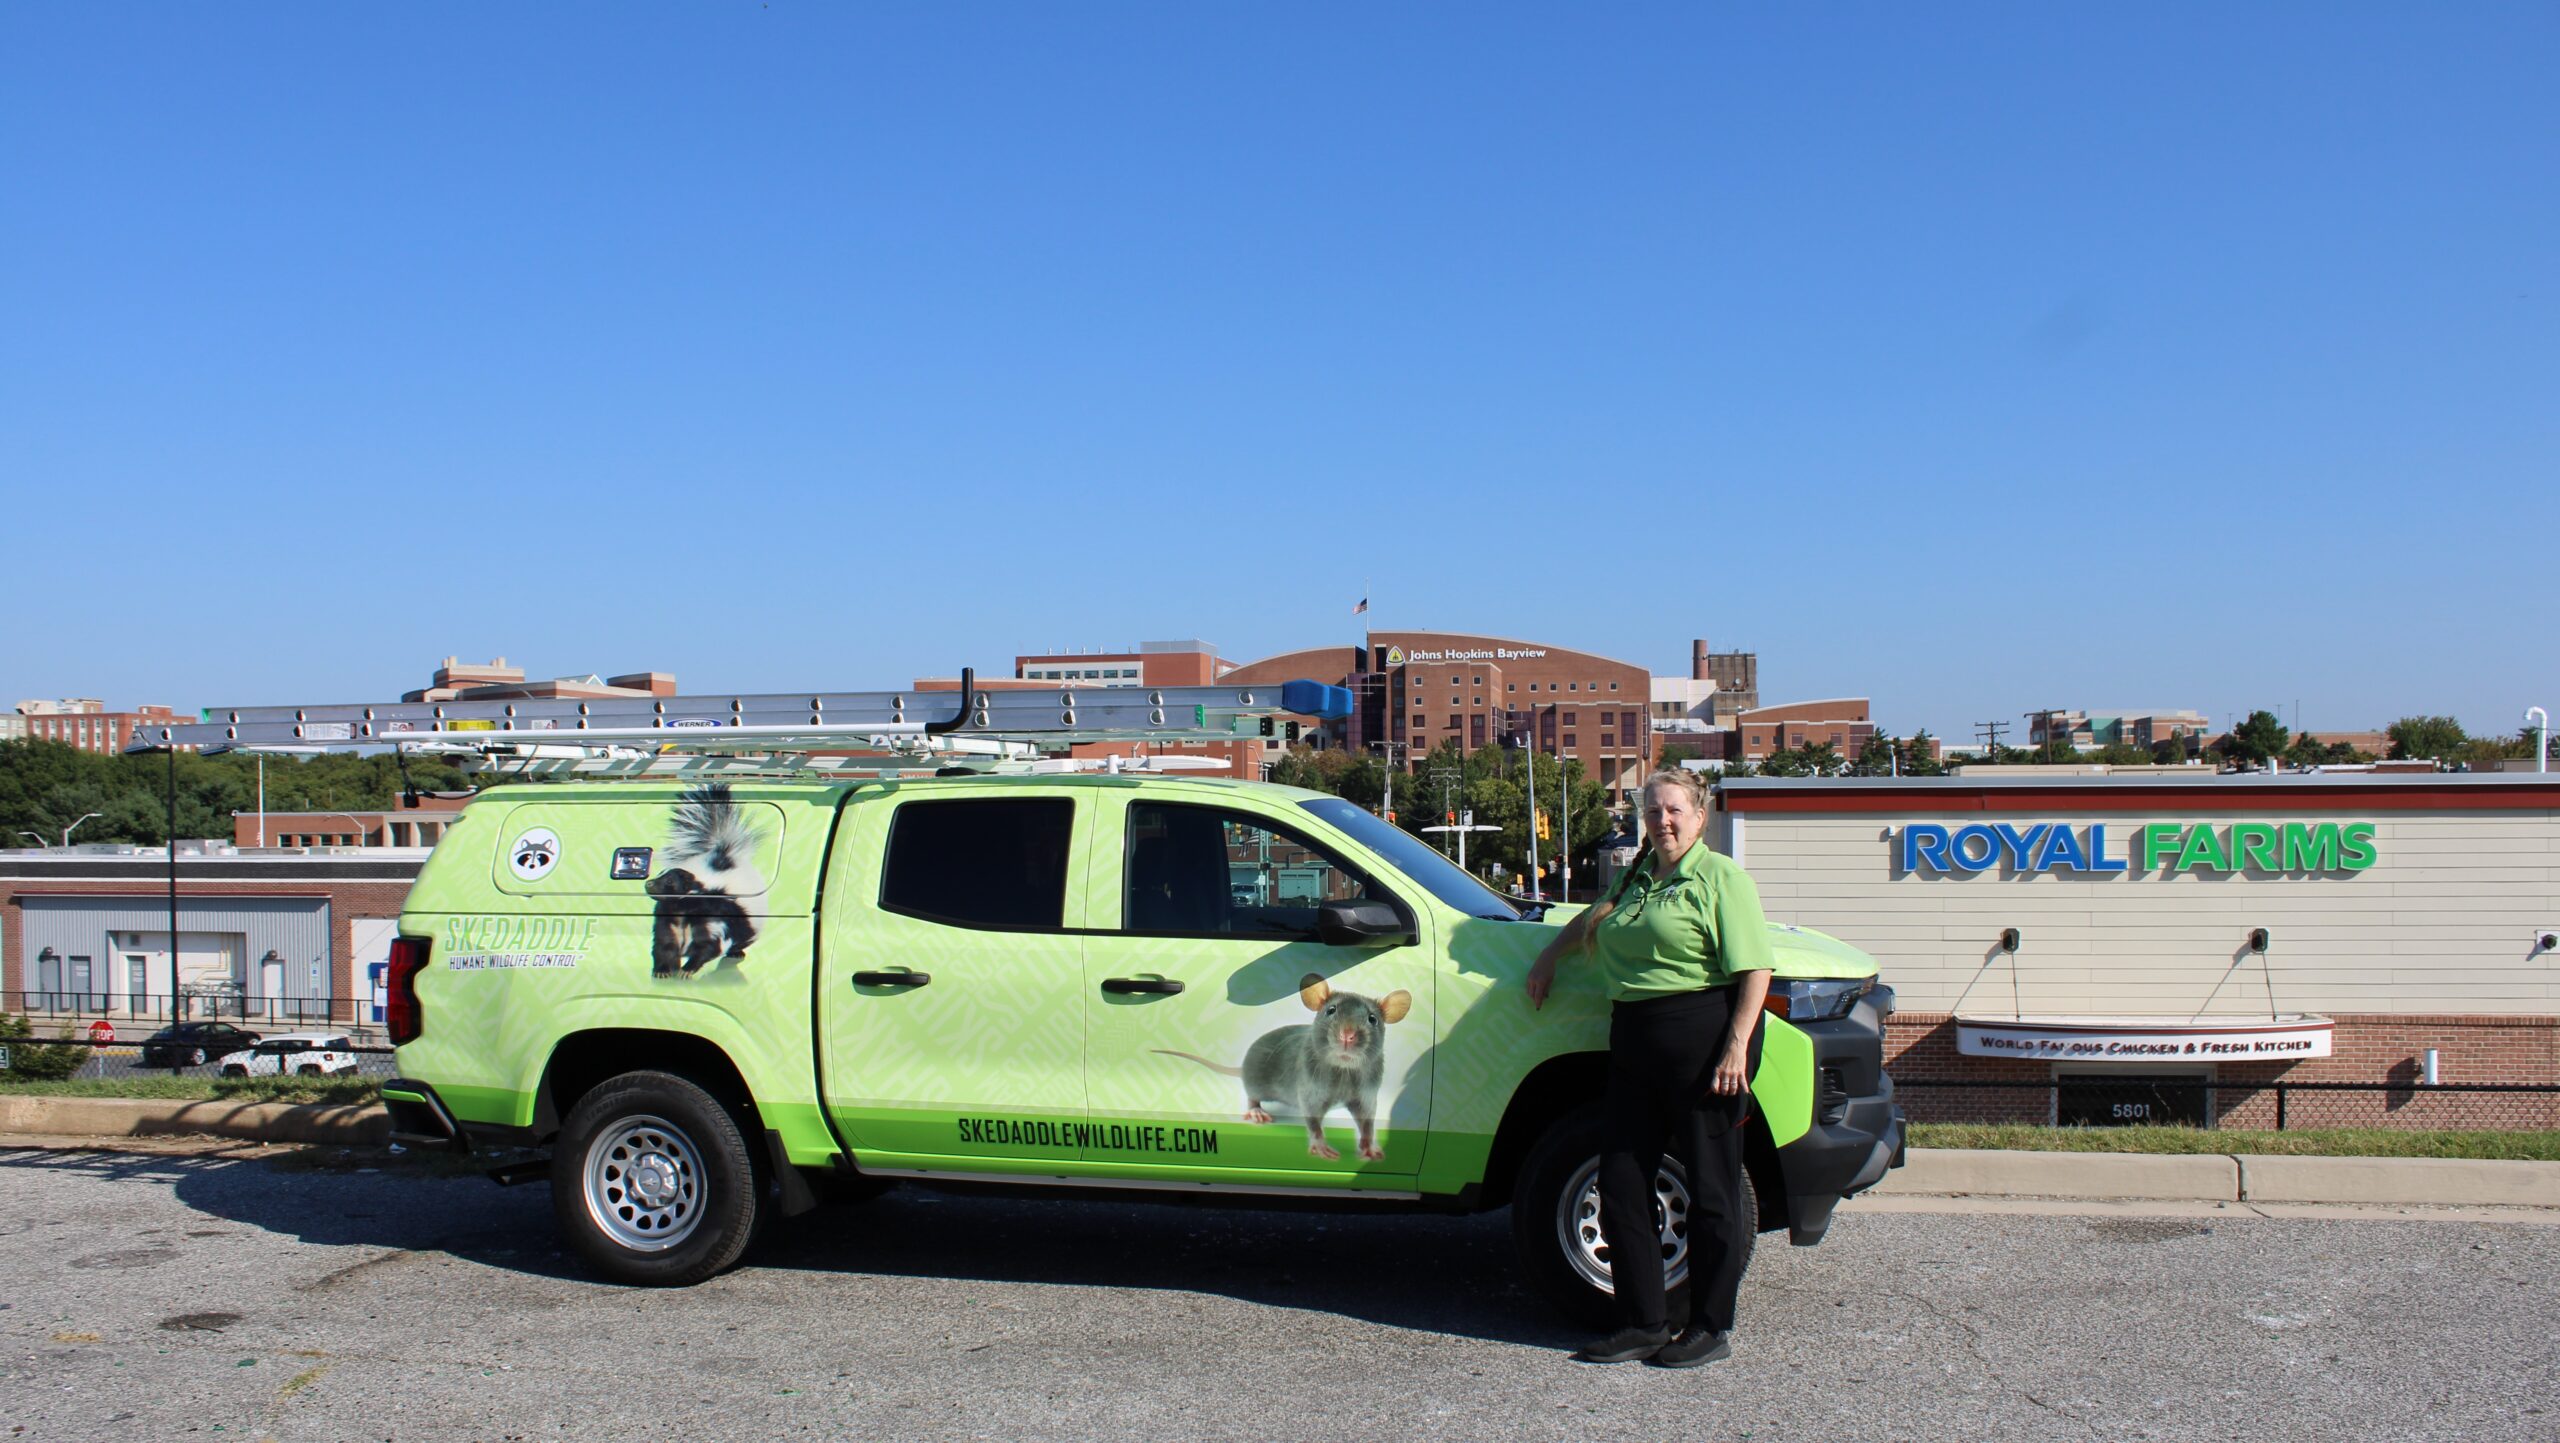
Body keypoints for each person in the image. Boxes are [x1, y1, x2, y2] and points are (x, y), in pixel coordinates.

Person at [1524, 767, 1773, 1368]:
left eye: (1674, 812)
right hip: (1634, 1037)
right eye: (1653, 811)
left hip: (1705, 1038)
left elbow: (1755, 970)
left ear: (1699, 815)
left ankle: (1711, 1327)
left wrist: (1736, 1046)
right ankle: (1644, 1322)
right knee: (1621, 1181)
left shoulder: (1720, 877)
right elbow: (1595, 918)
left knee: (1713, 1190)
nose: (1662, 822)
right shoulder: (1640, 873)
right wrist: (1549, 956)